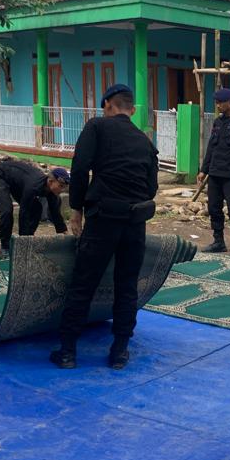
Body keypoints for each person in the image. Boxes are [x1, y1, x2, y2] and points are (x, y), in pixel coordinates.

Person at [49, 83, 158, 370]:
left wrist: (76, 212)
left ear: (108, 104)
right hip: (135, 223)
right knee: (127, 286)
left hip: (103, 219)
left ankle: (68, 351)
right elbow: (151, 187)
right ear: (131, 110)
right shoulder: (145, 140)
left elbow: (81, 167)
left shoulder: (96, 127)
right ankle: (120, 351)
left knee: (84, 282)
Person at [197, 87, 230, 257]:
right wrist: (203, 170)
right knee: (214, 208)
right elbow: (211, 147)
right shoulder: (217, 122)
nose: (218, 105)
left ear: (229, 101)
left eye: (221, 102)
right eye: (217, 102)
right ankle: (218, 242)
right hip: (214, 173)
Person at [0, 160, 70, 258]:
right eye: (60, 186)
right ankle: (5, 247)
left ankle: (28, 239)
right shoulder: (33, 187)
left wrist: (64, 233)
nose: (62, 190)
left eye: (64, 187)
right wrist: (24, 241)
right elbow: (24, 213)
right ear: (50, 181)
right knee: (7, 211)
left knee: (37, 208)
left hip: (17, 181)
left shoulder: (50, 190)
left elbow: (55, 212)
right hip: (0, 175)